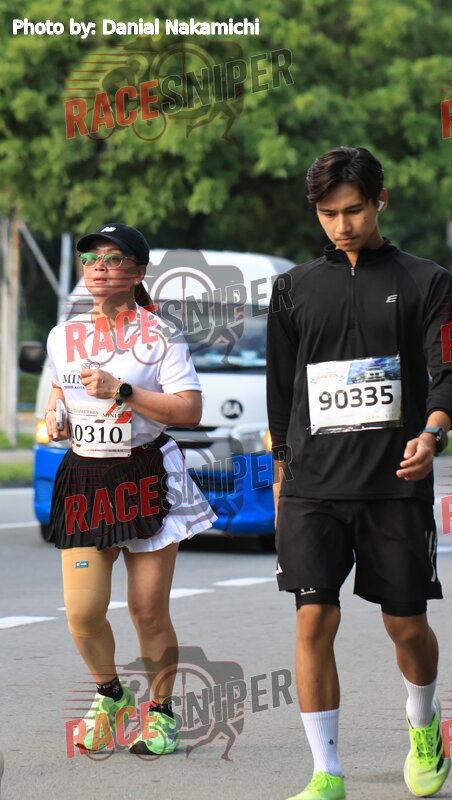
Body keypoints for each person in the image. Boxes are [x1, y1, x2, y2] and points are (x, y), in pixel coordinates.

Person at [266, 147, 452, 799]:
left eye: (353, 210)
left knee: (405, 625)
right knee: (312, 620)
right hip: (312, 486)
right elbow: (281, 389)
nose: (342, 225)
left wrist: (431, 433)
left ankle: (423, 722)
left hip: (394, 485)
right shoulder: (293, 288)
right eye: (328, 214)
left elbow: (450, 372)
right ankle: (325, 772)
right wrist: (281, 470)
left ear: (381, 201)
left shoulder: (426, 280)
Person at [45, 223, 217, 755]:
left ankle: (161, 712)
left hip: (145, 474)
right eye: (91, 258)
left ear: (138, 272)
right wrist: (54, 414)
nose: (99, 267)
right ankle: (111, 695)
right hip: (85, 475)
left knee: (147, 610)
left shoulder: (160, 336)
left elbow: (189, 410)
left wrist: (122, 390)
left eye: (113, 258)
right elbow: (59, 389)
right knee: (82, 611)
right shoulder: (63, 336)